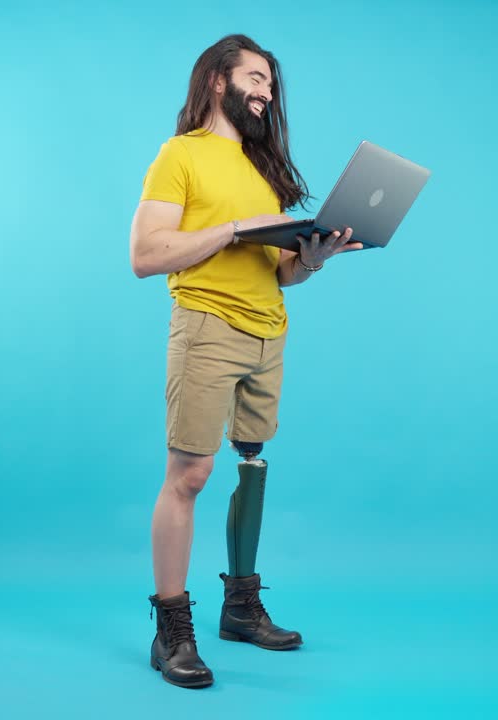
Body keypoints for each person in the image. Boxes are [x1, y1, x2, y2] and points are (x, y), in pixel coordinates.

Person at [129, 33, 361, 689]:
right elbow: (145, 255)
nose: (266, 91)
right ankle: (171, 629)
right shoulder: (181, 154)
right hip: (207, 326)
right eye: (255, 78)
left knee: (253, 462)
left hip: (268, 331)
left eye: (270, 83)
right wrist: (230, 230)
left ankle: (240, 608)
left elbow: (280, 270)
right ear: (216, 80)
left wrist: (311, 259)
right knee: (190, 474)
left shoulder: (262, 170)